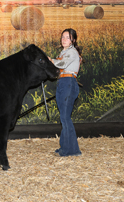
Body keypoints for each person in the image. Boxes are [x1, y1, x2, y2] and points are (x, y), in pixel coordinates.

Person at [49, 28, 82, 157]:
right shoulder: (64, 52)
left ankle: (71, 150)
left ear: (73, 40)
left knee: (65, 117)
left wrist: (51, 61)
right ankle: (65, 146)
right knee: (64, 117)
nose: (64, 40)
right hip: (63, 83)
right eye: (62, 37)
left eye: (67, 37)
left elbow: (62, 64)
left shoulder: (72, 52)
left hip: (69, 83)